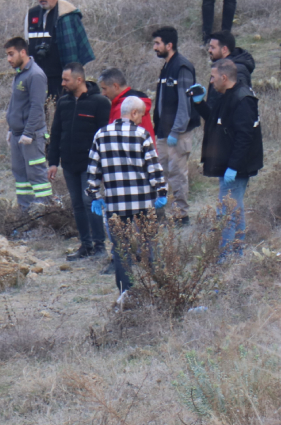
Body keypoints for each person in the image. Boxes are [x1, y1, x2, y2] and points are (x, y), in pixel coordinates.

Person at [86, 96, 168, 295]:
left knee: (121, 250)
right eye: (141, 114)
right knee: (149, 245)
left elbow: (93, 169)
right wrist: (162, 192)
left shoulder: (101, 134)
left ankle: (126, 293)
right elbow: (154, 168)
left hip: (115, 204)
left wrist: (94, 195)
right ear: (133, 113)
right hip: (143, 203)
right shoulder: (142, 134)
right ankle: (157, 288)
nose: (141, 119)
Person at [191, 59, 264, 251]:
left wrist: (234, 166)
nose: (211, 81)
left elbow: (245, 136)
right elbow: (216, 121)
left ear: (224, 77)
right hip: (229, 164)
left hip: (237, 166)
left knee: (226, 212)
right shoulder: (227, 95)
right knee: (234, 209)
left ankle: (224, 257)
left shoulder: (242, 99)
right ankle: (237, 253)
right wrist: (199, 103)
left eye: (213, 77)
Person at [47, 63, 111, 260]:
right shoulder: (63, 103)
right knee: (77, 204)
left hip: (90, 163)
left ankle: (100, 245)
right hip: (68, 162)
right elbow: (56, 132)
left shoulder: (100, 102)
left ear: (79, 80)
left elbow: (104, 134)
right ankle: (86, 245)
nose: (63, 83)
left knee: (89, 200)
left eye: (66, 80)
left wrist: (103, 162)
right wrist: (53, 161)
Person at [151, 26, 199, 224]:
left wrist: (176, 130)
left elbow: (185, 102)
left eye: (157, 43)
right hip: (163, 132)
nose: (154, 47)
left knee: (178, 174)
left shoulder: (182, 67)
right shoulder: (166, 66)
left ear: (169, 45)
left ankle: (181, 215)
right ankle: (159, 213)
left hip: (177, 134)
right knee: (159, 172)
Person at [24, 0, 95, 97]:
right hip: (38, 74)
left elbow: (75, 47)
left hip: (60, 76)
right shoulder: (31, 14)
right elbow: (27, 43)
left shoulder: (67, 15)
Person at [4, 38, 52, 210]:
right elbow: (16, 104)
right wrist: (11, 129)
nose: (9, 59)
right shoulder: (20, 73)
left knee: (36, 175)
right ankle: (24, 214)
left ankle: (45, 214)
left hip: (31, 137)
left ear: (22, 52)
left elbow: (37, 107)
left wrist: (28, 133)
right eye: (7, 55)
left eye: (11, 54)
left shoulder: (36, 75)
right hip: (18, 134)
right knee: (21, 176)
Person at [98, 68, 156, 142]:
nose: (103, 93)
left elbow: (117, 140)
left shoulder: (123, 108)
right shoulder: (137, 102)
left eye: (104, 89)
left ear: (115, 86)